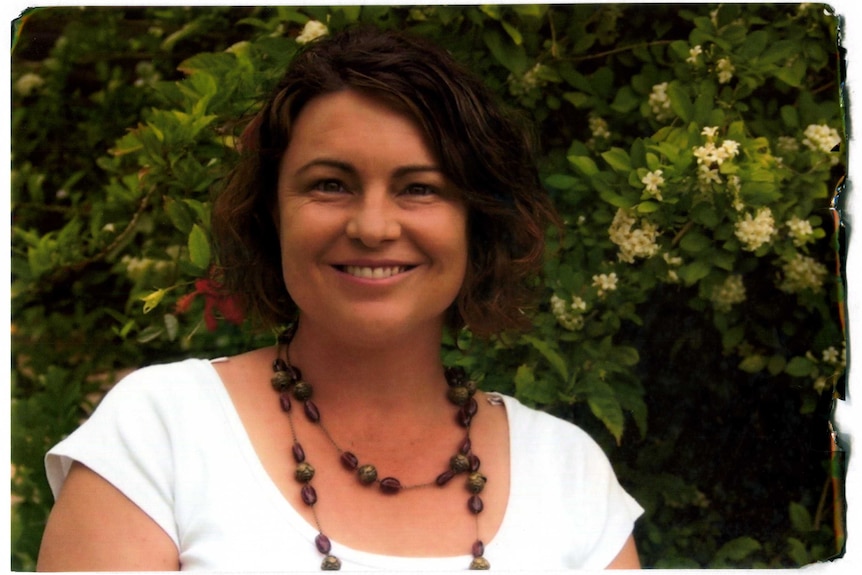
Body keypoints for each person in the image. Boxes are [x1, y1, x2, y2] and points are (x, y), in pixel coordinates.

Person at [37, 26, 643, 571]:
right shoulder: (159, 433)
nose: (373, 227)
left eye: (419, 188)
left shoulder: (569, 473)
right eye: (330, 184)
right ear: (274, 213)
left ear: (475, 222)